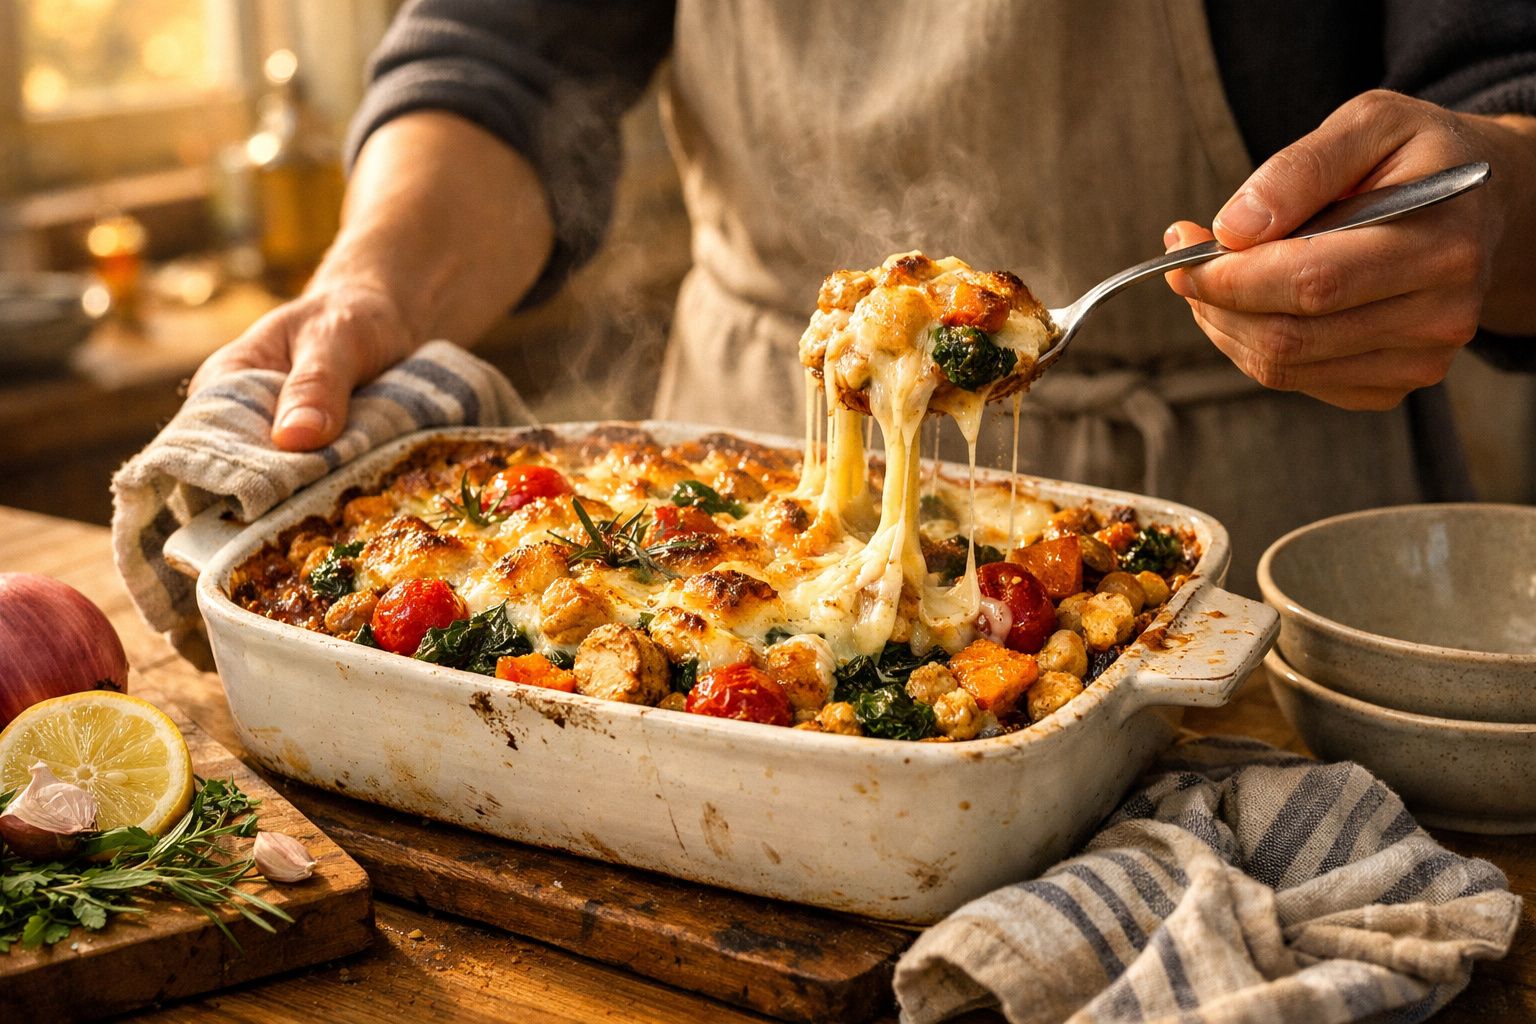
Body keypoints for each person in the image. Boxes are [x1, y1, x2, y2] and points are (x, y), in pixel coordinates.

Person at [190, 1, 1536, 590]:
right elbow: (504, 52)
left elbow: (1505, 94)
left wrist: (1497, 205)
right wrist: (375, 279)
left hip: (1268, 487)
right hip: (759, 471)